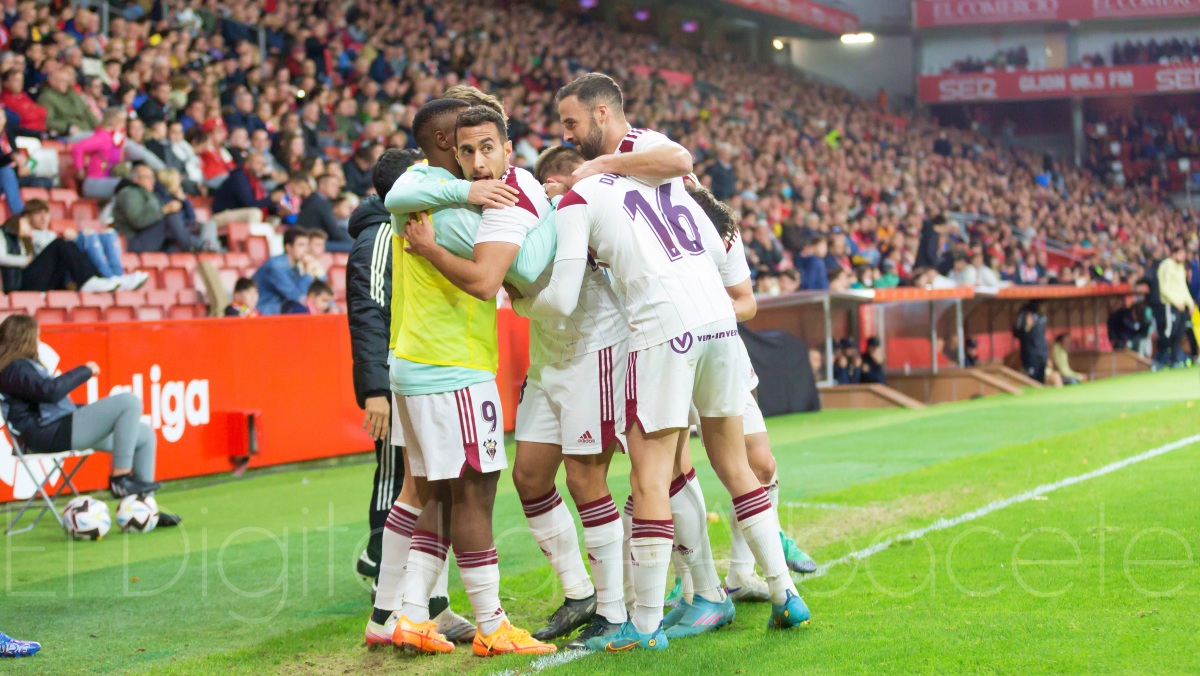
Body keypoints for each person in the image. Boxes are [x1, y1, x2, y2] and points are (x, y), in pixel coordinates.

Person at [522, 72, 808, 652]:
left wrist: (516, 296)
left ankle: (645, 625)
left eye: (573, 124)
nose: (570, 137)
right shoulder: (674, 181)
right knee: (736, 466)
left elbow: (562, 296)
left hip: (660, 329)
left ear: (601, 116)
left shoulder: (581, 195)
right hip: (719, 323)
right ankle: (784, 594)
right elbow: (686, 183)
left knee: (651, 476)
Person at [377, 97, 552, 657]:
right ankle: (493, 625)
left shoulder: (427, 192)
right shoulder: (438, 198)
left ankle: (402, 615)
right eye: (466, 142)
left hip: (419, 360)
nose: (478, 159)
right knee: (475, 491)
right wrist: (538, 215)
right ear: (448, 143)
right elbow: (501, 274)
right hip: (449, 366)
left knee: (434, 495)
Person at [0, 316, 180, 524]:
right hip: (49, 433)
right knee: (129, 401)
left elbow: (48, 400)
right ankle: (120, 478)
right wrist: (85, 370)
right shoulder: (15, 368)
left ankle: (145, 511)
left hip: (58, 428)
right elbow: (51, 392)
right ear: (26, 337)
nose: (39, 339)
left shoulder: (21, 367)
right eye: (37, 334)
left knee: (145, 435)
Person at [345, 148, 411, 599]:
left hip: (415, 369)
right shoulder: (380, 235)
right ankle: (380, 558)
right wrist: (375, 389)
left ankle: (392, 559)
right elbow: (368, 311)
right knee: (393, 469)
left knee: (412, 470)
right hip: (391, 378)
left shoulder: (402, 227)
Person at [0, 211, 131, 293]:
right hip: (20, 283)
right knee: (59, 244)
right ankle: (88, 281)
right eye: (26, 223)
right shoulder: (4, 234)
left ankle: (102, 279)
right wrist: (24, 261)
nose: (30, 226)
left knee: (69, 246)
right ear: (16, 222)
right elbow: (1, 257)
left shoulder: (28, 241)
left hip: (39, 279)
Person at [112, 163, 207, 253]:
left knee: (177, 250)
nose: (152, 180)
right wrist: (165, 210)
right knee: (170, 216)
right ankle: (192, 245)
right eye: (147, 177)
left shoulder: (152, 194)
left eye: (152, 177)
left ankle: (196, 245)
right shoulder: (129, 193)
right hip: (135, 241)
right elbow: (138, 221)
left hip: (155, 239)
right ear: (135, 179)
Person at [251, 229, 323, 315]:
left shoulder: (295, 267)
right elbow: (296, 296)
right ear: (288, 247)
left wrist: (318, 271)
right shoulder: (276, 266)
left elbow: (320, 291)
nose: (306, 250)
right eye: (301, 245)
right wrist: (307, 274)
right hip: (264, 308)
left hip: (280, 308)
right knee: (301, 310)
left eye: (307, 245)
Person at [70, 107, 127, 199]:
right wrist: (80, 169)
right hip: (95, 181)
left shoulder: (118, 139)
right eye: (121, 120)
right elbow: (78, 148)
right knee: (125, 187)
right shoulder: (103, 137)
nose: (124, 124)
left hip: (110, 178)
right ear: (112, 121)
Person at [1154, 241, 1195, 369]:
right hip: (1170, 305)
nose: (1183, 257)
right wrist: (1176, 302)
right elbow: (1164, 288)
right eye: (1181, 254)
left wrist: (1190, 302)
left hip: (1182, 305)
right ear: (1174, 253)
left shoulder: (1180, 268)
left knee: (1180, 332)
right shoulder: (1166, 266)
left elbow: (1183, 287)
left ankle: (1174, 360)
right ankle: (1159, 359)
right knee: (1169, 332)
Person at [297, 173, 353, 252]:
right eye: (333, 185)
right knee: (354, 247)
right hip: (313, 242)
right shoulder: (321, 203)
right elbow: (334, 232)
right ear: (322, 185)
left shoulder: (313, 199)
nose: (337, 188)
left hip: (309, 240)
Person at [1014, 301, 1049, 382]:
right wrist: (1027, 327)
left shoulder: (1042, 317)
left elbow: (1042, 336)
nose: (1045, 308)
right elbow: (1018, 333)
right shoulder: (1025, 315)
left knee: (1041, 378)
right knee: (1032, 378)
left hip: (1041, 353)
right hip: (1031, 354)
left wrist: (1046, 355)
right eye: (1043, 305)